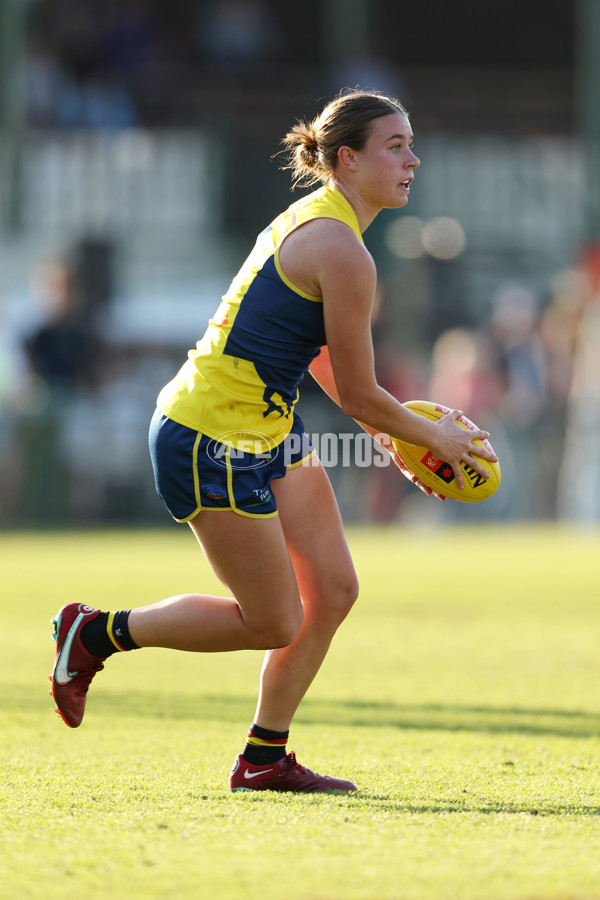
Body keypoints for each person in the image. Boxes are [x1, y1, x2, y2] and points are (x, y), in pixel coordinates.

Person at [48, 89, 497, 793]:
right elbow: (357, 390)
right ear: (347, 160)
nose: (413, 159)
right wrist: (423, 431)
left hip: (264, 425)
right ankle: (96, 632)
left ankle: (264, 757)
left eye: (411, 143)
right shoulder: (341, 247)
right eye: (395, 146)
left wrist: (391, 434)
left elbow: (322, 358)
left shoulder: (327, 227)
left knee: (336, 589)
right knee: (273, 619)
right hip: (208, 436)